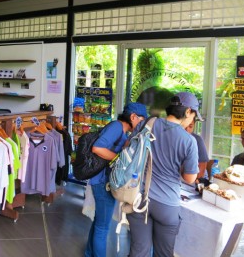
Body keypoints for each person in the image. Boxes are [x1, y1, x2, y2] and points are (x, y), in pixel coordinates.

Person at [127, 92, 200, 257]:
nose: (192, 120)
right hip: (167, 203)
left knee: (138, 251)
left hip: (138, 197)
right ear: (188, 111)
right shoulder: (189, 141)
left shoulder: (147, 124)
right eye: (194, 115)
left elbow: (129, 149)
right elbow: (190, 178)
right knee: (163, 254)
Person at [85, 102, 147, 257]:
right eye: (142, 120)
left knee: (99, 222)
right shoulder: (117, 127)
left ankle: (89, 253)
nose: (142, 124)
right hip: (101, 182)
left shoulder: (122, 131)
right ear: (133, 117)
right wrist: (119, 160)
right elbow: (97, 148)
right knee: (103, 227)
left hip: (102, 180)